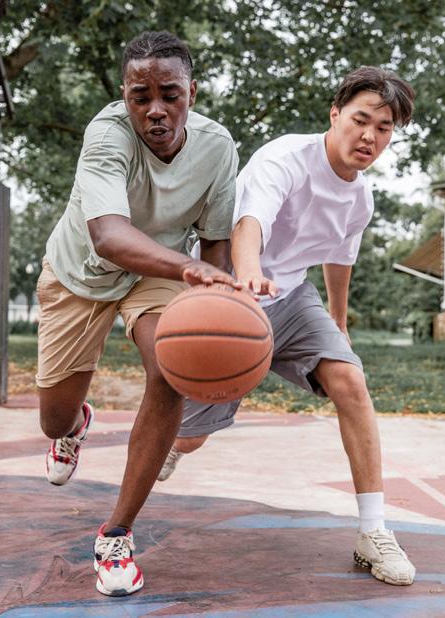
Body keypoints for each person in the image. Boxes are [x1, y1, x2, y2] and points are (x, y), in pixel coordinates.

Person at [159, 66, 417, 586]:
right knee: (190, 437)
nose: (369, 136)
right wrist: (248, 279)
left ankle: (373, 531)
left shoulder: (361, 199)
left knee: (351, 381)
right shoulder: (286, 158)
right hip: (233, 293)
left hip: (294, 297)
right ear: (335, 114)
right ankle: (171, 446)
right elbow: (249, 223)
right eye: (361, 120)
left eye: (384, 128)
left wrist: (338, 320)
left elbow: (340, 258)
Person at [36, 31, 239, 596]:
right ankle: (73, 428)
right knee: (52, 418)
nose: (155, 109)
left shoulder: (217, 147)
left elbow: (216, 239)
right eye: (139, 96)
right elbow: (108, 236)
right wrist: (192, 269)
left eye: (169, 94)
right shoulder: (106, 135)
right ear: (124, 96)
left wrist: (215, 304)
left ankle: (116, 534)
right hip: (82, 273)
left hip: (158, 272)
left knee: (170, 371)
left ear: (192, 93)